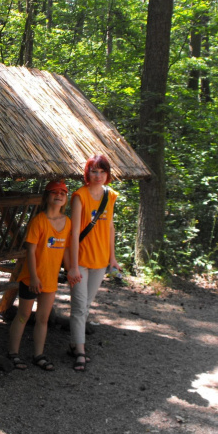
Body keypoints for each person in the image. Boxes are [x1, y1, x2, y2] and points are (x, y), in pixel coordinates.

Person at [8, 180, 71, 371]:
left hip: (51, 279)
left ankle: (38, 355)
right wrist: (34, 277)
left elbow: (66, 251)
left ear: (66, 198)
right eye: (54, 192)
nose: (59, 195)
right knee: (23, 315)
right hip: (31, 278)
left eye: (63, 192)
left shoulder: (67, 222)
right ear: (47, 196)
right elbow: (30, 251)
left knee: (43, 319)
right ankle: (12, 353)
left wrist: (70, 270)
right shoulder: (38, 221)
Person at [66, 154, 120, 371]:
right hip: (80, 260)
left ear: (107, 174)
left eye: (102, 171)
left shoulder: (111, 195)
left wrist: (113, 258)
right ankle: (80, 351)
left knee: (86, 304)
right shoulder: (80, 196)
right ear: (87, 173)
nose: (98, 176)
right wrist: (72, 265)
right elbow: (75, 231)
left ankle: (74, 342)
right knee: (79, 306)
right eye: (94, 171)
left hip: (100, 260)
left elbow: (110, 227)